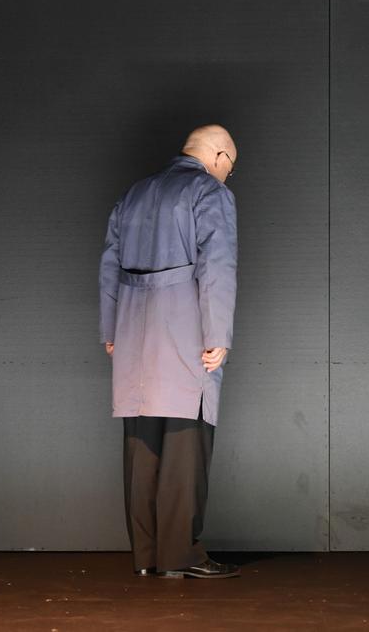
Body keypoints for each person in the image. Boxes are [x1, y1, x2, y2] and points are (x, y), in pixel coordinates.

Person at [99, 124, 241, 579]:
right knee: (186, 441)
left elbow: (108, 264)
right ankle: (181, 557)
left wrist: (110, 329)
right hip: (184, 330)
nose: (227, 176)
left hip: (133, 333)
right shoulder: (208, 193)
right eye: (229, 167)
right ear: (218, 155)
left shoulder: (135, 193)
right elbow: (216, 264)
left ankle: (145, 557)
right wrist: (218, 334)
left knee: (142, 446)